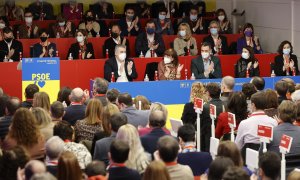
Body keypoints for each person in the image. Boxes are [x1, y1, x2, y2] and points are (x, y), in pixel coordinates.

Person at [235, 92, 277, 158]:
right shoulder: (273, 122)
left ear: (253, 105)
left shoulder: (244, 123)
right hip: (268, 160)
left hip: (248, 160)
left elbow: (237, 146)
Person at [200, 83, 224, 151]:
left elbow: (200, 125)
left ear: (208, 93)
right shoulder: (226, 105)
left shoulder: (205, 107)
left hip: (208, 140)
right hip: (222, 139)